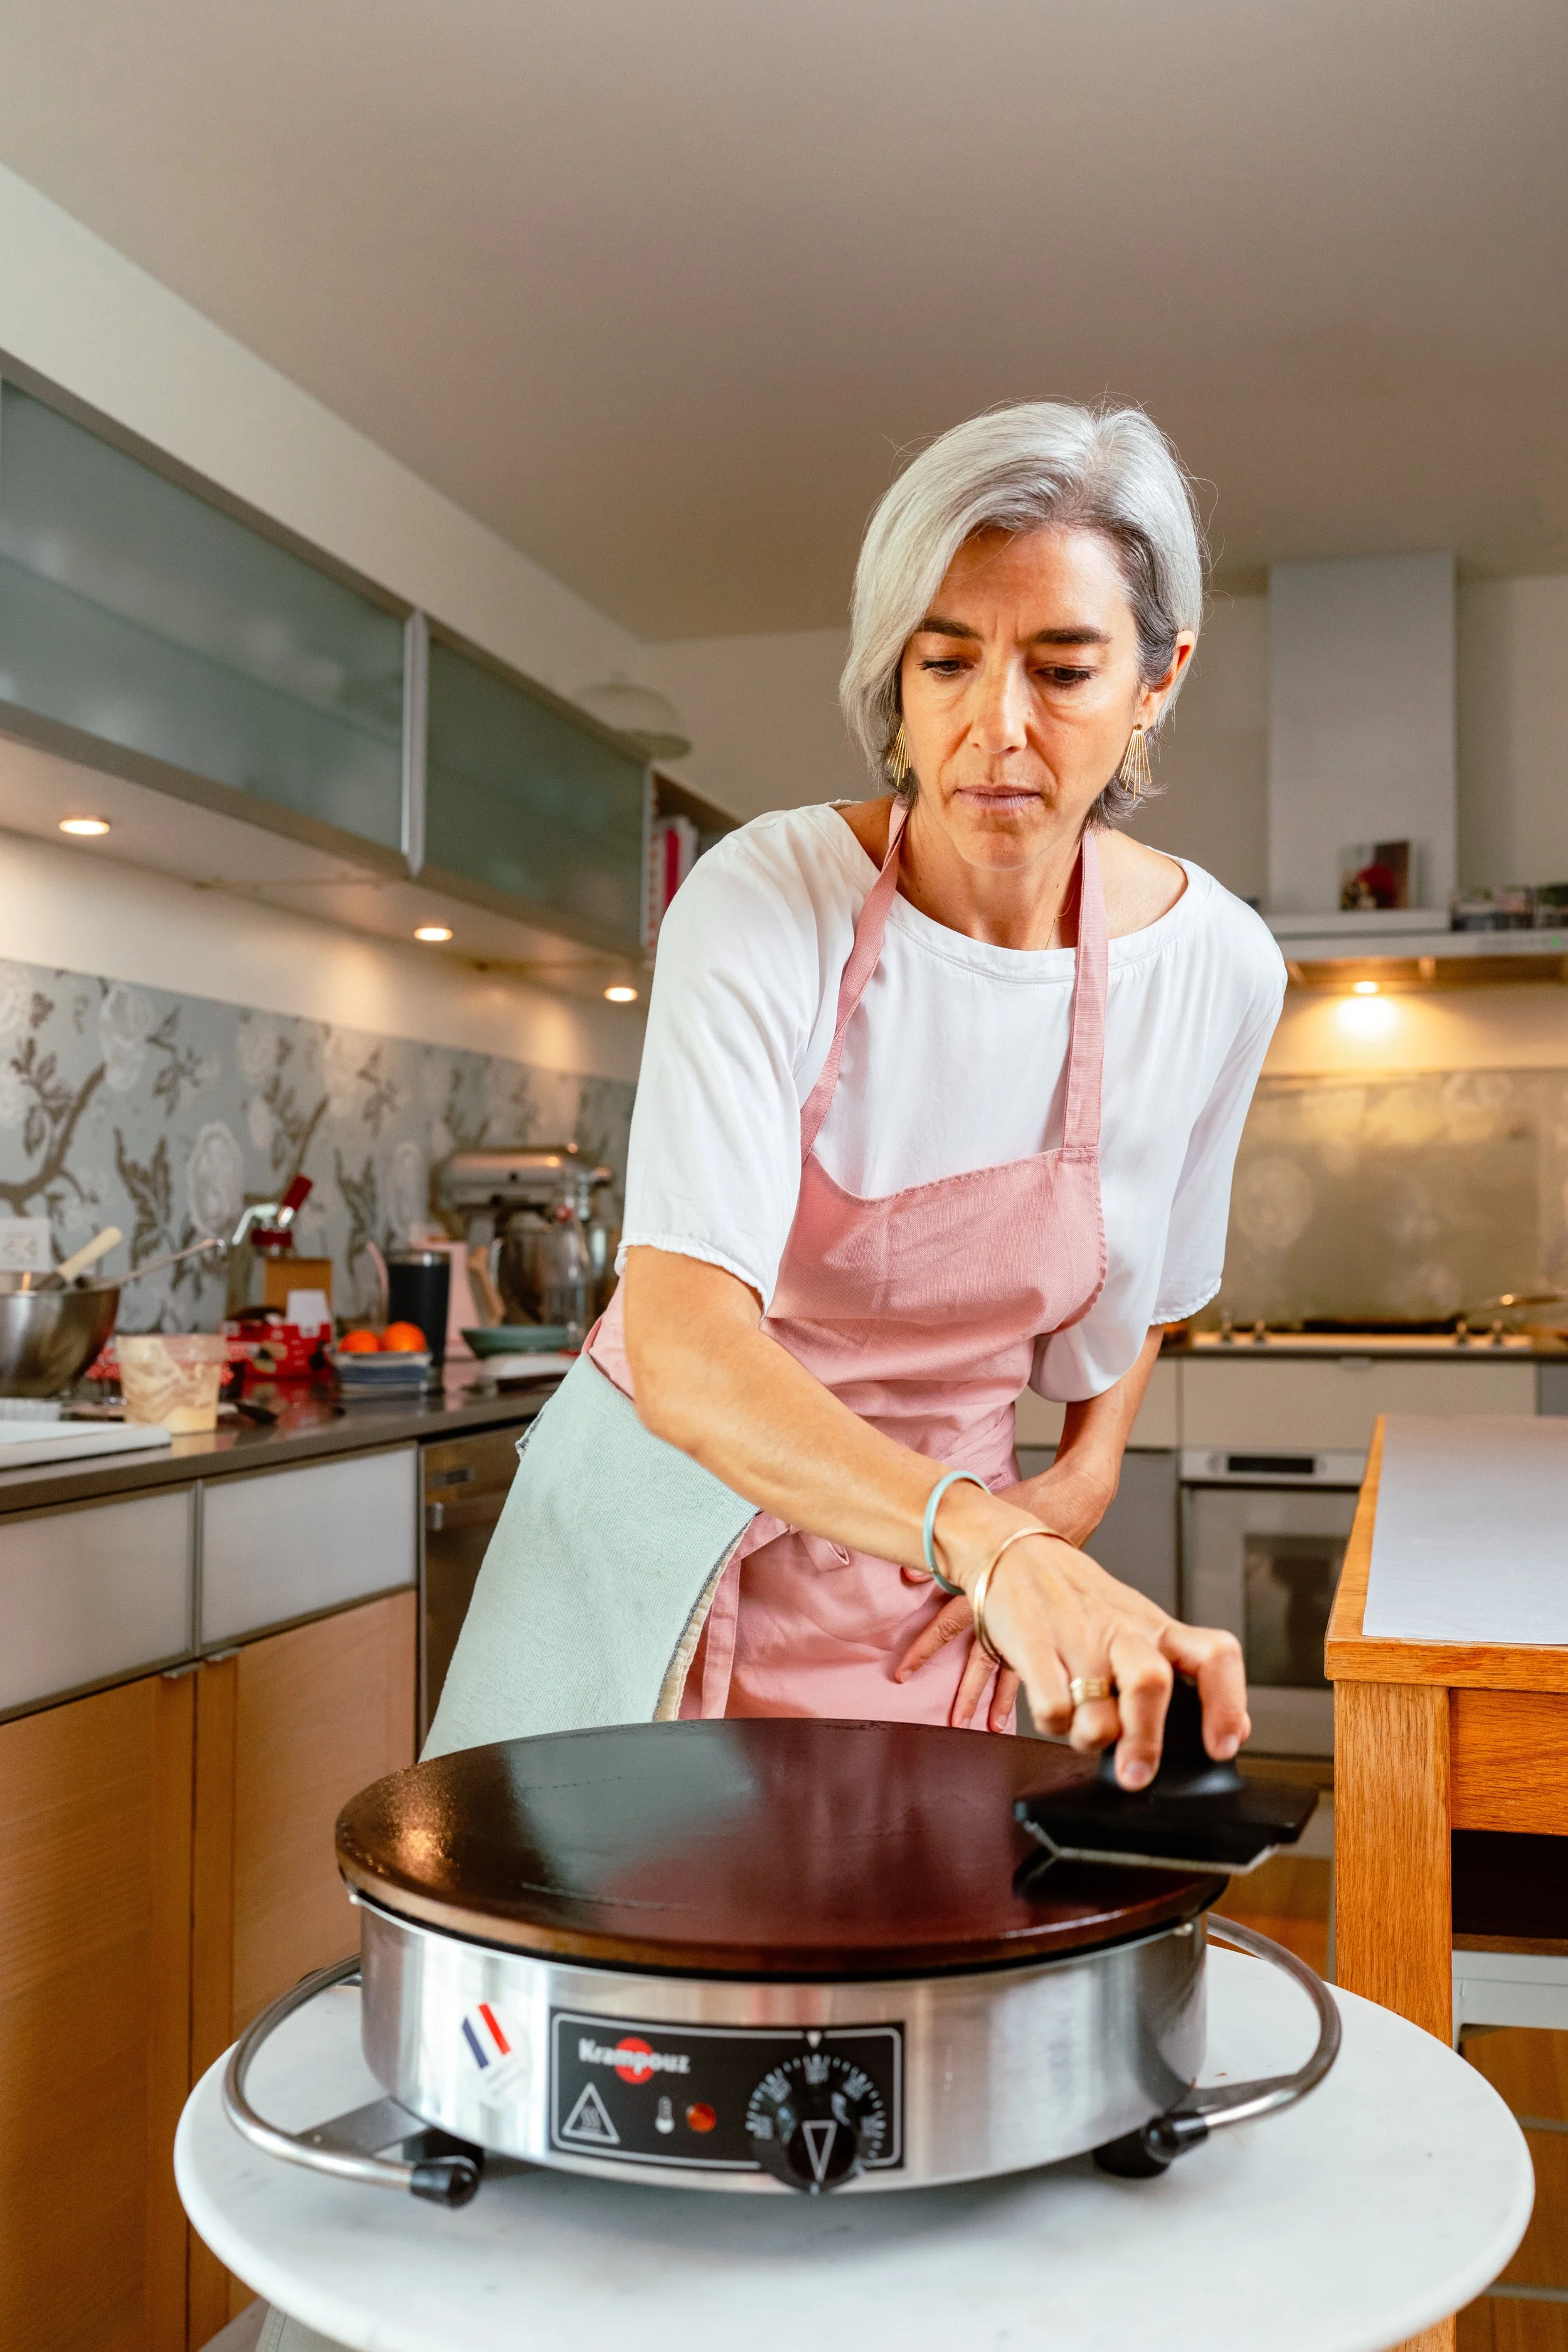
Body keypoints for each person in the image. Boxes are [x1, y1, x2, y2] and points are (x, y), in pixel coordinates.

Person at [426, 398, 1283, 1791]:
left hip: (924, 1574)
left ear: (1156, 677)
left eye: (1062, 670)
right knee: (597, 1960)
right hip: (655, 1533)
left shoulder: (1216, 969)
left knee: (875, 1958)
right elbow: (691, 1349)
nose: (993, 727)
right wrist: (988, 1534)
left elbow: (1154, 1283)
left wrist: (1076, 1482)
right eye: (944, 662)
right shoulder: (765, 902)